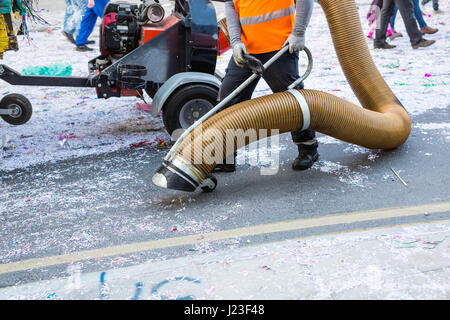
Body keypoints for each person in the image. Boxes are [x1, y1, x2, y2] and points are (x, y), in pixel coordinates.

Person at [215, 0, 317, 173]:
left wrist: (299, 32)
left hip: (280, 46)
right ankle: (225, 157)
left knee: (293, 101)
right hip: (247, 49)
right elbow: (232, 5)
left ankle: (308, 148)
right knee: (228, 101)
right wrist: (235, 42)